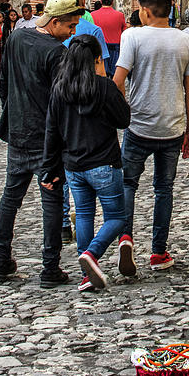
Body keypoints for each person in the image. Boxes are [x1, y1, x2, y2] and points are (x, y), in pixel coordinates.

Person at [0, 0, 84, 286]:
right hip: (46, 138)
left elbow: (4, 82)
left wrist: (12, 114)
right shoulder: (58, 52)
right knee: (52, 202)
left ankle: (1, 262)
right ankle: (49, 268)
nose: (73, 32)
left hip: (18, 133)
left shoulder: (17, 38)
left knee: (10, 198)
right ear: (55, 21)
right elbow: (63, 103)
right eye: (70, 26)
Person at [113, 0, 189, 274]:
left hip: (138, 125)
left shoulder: (132, 36)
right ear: (170, 7)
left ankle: (126, 237)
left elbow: (118, 81)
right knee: (164, 189)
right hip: (172, 127)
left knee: (128, 184)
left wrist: (124, 112)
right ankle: (158, 252)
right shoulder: (186, 40)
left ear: (144, 10)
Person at [41, 34, 130, 292]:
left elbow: (52, 130)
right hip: (104, 163)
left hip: (74, 166)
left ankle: (85, 274)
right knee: (117, 217)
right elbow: (123, 120)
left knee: (84, 214)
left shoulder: (59, 89)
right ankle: (92, 253)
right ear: (95, 59)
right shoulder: (104, 87)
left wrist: (50, 168)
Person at [58, 0, 111, 240]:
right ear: (81, 1)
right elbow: (102, 70)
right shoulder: (92, 30)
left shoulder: (49, 31)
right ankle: (84, 224)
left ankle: (64, 222)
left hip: (61, 103)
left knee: (64, 165)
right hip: (88, 105)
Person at [91, 0, 126, 77]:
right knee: (114, 75)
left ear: (101, 1)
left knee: (101, 74)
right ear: (112, 2)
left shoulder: (93, 15)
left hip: (99, 47)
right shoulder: (120, 15)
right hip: (115, 48)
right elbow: (124, 31)